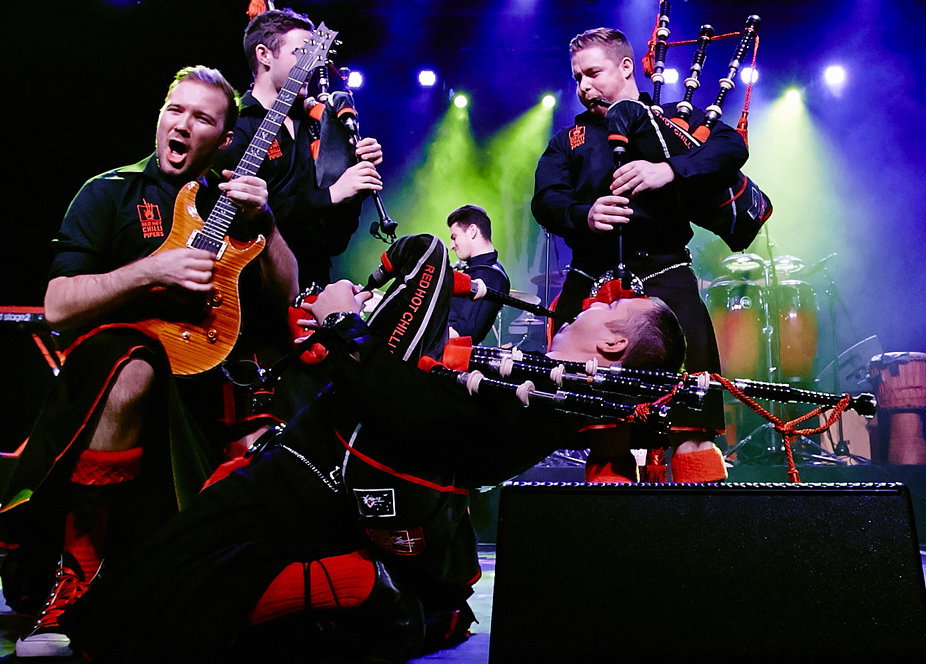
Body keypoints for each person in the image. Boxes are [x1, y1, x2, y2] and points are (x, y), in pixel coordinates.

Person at [59, 234, 688, 663]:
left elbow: (405, 408)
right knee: (154, 588)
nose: (592, 303)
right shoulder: (552, 391)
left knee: (159, 614)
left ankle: (372, 596)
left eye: (613, 309)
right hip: (318, 470)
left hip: (322, 486)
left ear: (612, 346)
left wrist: (341, 325)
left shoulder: (551, 405)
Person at [0, 66, 298, 657]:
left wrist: (268, 224)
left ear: (225, 139)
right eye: (175, 110)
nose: (182, 125)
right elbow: (58, 304)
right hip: (110, 382)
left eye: (202, 118)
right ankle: (72, 578)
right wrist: (152, 270)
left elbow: (285, 295)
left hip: (201, 385)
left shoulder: (237, 201)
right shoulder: (109, 192)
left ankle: (11, 533)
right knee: (134, 359)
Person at [532, 26, 748, 484]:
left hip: (667, 274)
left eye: (593, 72)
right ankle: (611, 542)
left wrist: (669, 169)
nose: (583, 86)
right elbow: (545, 200)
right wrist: (583, 214)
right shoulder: (568, 141)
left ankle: (709, 540)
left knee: (692, 422)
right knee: (603, 429)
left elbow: (732, 147)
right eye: (577, 77)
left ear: (626, 67)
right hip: (592, 281)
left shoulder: (671, 118)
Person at [218, 8, 384, 291]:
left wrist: (353, 182)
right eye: (300, 53)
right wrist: (332, 194)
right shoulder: (235, 126)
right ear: (264, 55)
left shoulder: (317, 124)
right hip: (257, 289)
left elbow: (335, 241)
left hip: (316, 286)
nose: (313, 64)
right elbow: (242, 216)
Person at [445, 204, 511, 344]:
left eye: (454, 237)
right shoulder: (476, 270)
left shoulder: (490, 276)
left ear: (472, 231)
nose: (451, 245)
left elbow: (464, 330)